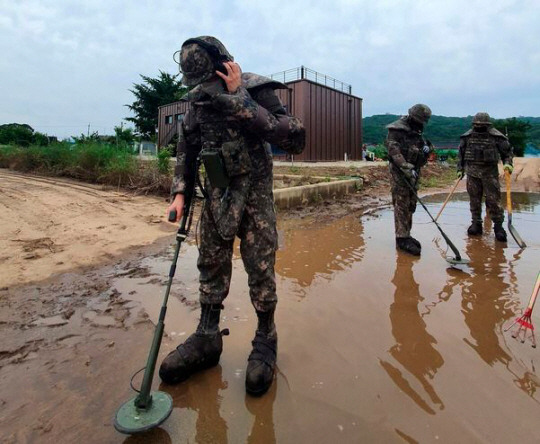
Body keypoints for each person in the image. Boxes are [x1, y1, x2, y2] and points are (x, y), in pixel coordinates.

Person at [159, 36, 305, 396]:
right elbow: (187, 146)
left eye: (209, 82)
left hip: (255, 196)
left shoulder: (256, 89)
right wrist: (180, 192)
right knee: (210, 261)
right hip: (218, 195)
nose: (204, 90)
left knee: (260, 267)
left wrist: (240, 99)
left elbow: (295, 138)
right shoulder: (197, 102)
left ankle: (266, 337)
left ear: (227, 68)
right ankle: (208, 337)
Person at [457, 112, 513, 242]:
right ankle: (476, 223)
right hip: (472, 174)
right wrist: (460, 169)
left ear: (488, 125)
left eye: (482, 126)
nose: (479, 127)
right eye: (477, 125)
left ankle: (498, 227)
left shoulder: (497, 137)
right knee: (474, 200)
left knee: (494, 201)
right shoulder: (467, 137)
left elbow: (507, 153)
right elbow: (461, 154)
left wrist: (508, 164)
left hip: (490, 174)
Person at [385, 104, 432, 256]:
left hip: (414, 172)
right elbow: (393, 150)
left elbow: (420, 150)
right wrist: (405, 167)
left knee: (411, 203)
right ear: (411, 116)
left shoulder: (418, 131)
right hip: (400, 172)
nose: (420, 124)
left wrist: (426, 149)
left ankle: (407, 233)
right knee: (401, 203)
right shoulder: (396, 129)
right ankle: (401, 238)